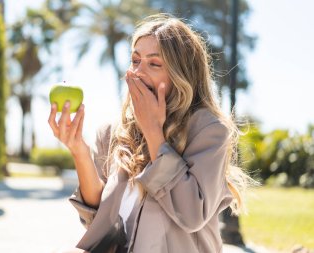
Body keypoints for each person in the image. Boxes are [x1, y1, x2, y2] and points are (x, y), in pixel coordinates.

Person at [48, 13, 251, 253]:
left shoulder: (209, 130)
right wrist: (78, 151)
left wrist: (154, 132)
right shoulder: (113, 132)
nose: (139, 72)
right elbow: (99, 221)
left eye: (154, 64)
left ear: (181, 74)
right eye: (135, 61)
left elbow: (191, 215)